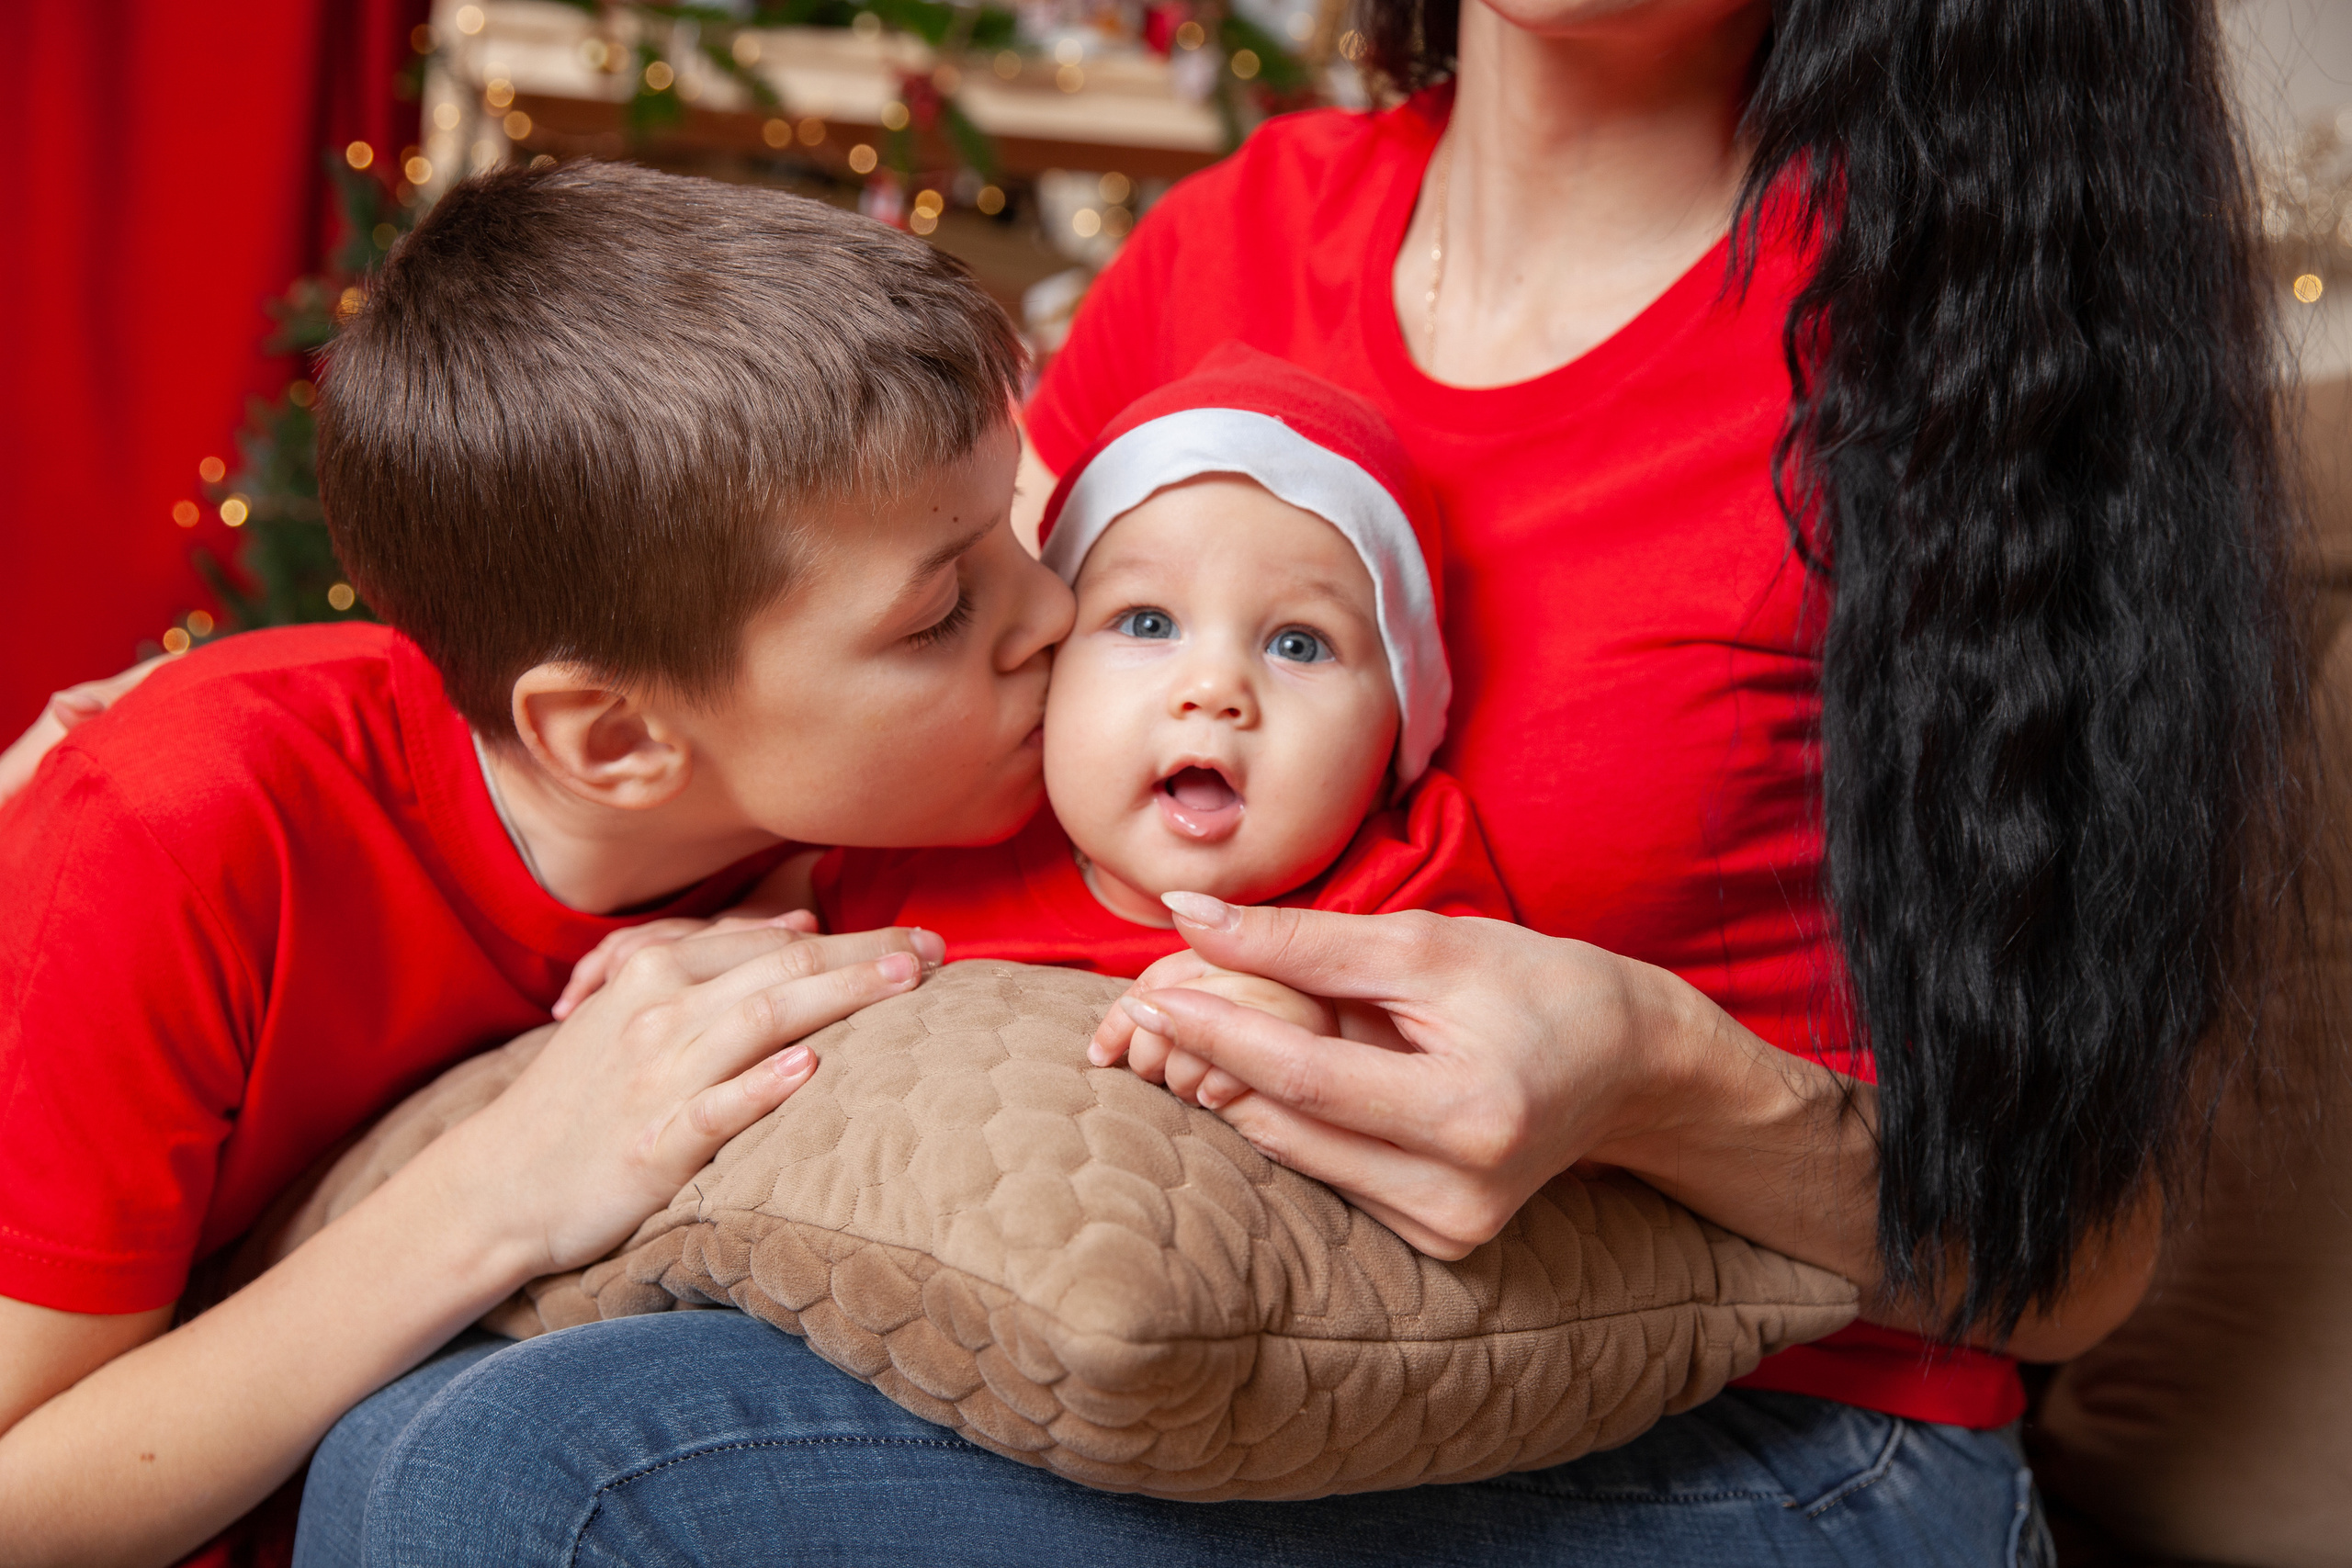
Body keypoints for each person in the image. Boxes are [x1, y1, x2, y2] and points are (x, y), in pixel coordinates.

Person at [304, 0, 2301, 1563]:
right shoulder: (1239, 236)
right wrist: (197, 758)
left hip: (1791, 1452)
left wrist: (1656, 1076)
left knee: (512, 1485)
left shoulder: (1968, 351)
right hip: (1164, 1331)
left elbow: (2069, 1266)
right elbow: (822, 705)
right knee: (404, 1417)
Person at [0, 162, 1078, 1566]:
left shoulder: (935, 788)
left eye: (1020, 529)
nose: (1057, 610)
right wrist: (502, 1183)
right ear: (619, 733)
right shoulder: (178, 830)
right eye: (943, 610)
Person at [559, 343, 1511, 1011]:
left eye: (1299, 644)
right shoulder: (964, 838)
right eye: (1147, 622)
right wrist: (713, 941)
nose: (1214, 688)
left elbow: (1475, 1039)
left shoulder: (1403, 883)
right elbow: (801, 906)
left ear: (1399, 731)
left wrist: (1323, 1026)